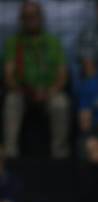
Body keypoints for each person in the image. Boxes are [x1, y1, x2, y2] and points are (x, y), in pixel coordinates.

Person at [2, 0, 70, 159]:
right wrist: (26, 92)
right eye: (27, 16)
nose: (31, 19)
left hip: (50, 92)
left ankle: (60, 155)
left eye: (35, 16)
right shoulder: (13, 43)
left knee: (61, 103)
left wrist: (49, 92)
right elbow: (8, 75)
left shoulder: (53, 42)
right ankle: (10, 155)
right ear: (21, 20)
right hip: (22, 92)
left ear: (41, 18)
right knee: (11, 101)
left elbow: (63, 75)